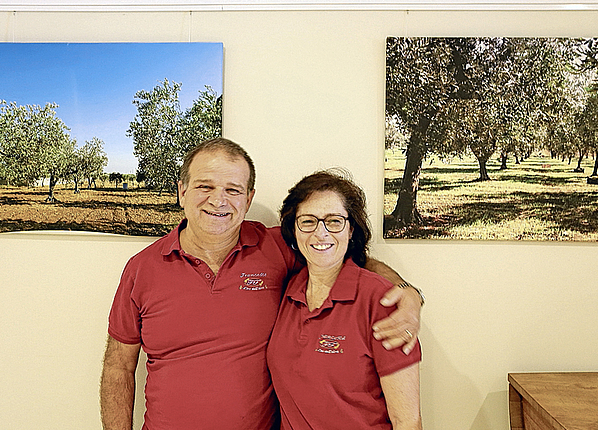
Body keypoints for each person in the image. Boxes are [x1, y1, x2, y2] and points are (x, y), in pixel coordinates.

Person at [100, 138, 423, 430]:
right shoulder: (142, 269)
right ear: (182, 191)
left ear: (249, 197)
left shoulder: (276, 248)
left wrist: (407, 293)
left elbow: (347, 258)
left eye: (233, 189)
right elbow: (118, 366)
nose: (219, 200)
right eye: (205, 186)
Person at [267, 169, 422, 429]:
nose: (321, 233)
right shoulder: (289, 289)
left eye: (334, 221)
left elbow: (407, 420)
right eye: (307, 221)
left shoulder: (380, 302)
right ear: (293, 230)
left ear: (351, 230)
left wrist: (413, 293)